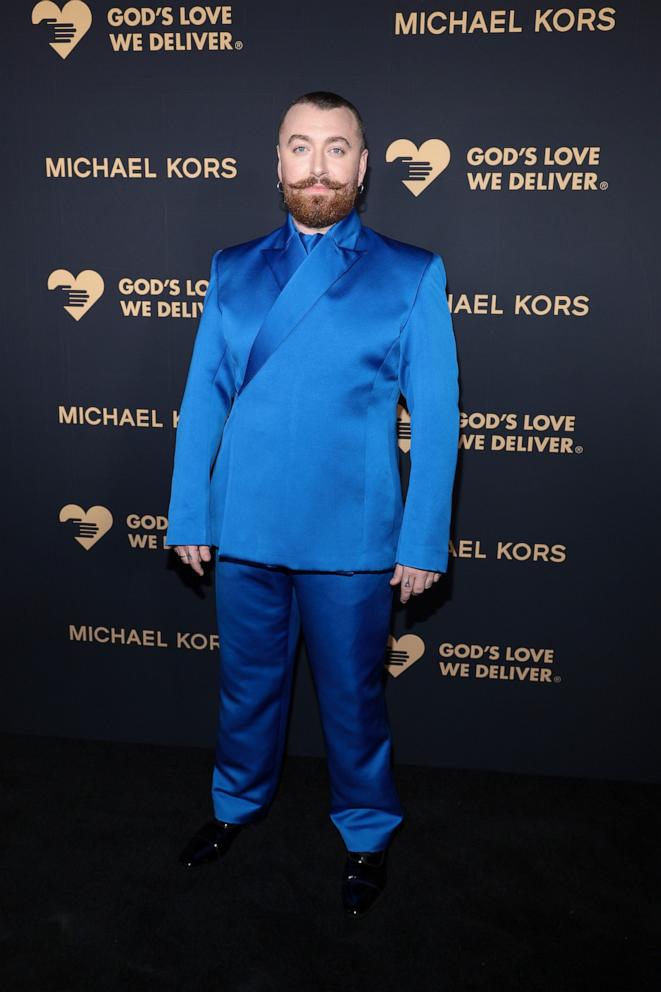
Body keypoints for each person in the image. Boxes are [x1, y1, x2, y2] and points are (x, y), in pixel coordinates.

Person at [164, 90, 460, 918]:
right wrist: (190, 511)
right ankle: (233, 805)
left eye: (337, 149)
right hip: (247, 524)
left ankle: (366, 829)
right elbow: (203, 398)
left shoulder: (410, 271)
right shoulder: (232, 268)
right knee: (245, 686)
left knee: (352, 695)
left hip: (353, 534)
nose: (317, 165)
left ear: (363, 168)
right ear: (278, 162)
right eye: (301, 147)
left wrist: (423, 538)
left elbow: (439, 419)